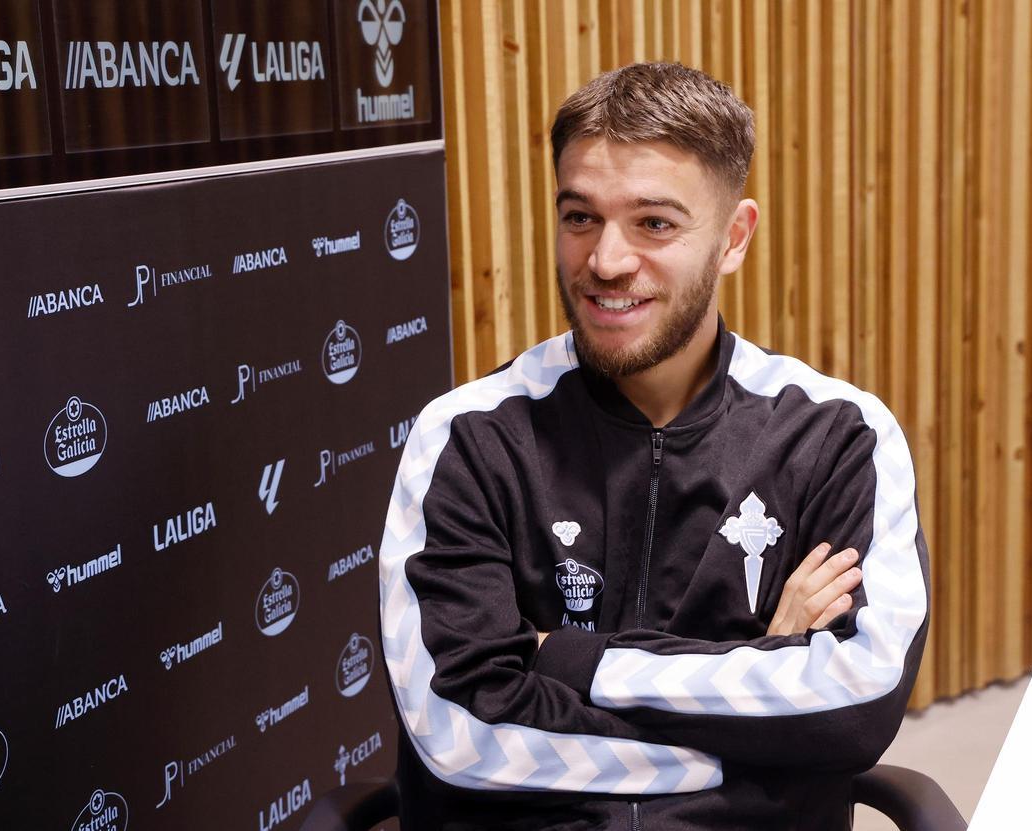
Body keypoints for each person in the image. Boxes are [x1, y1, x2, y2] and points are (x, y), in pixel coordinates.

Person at [379, 62, 929, 831]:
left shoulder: (836, 435)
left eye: (655, 224)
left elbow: (859, 701)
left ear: (733, 238)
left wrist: (566, 659)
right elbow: (462, 731)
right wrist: (757, 692)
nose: (606, 260)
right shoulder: (466, 438)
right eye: (580, 217)